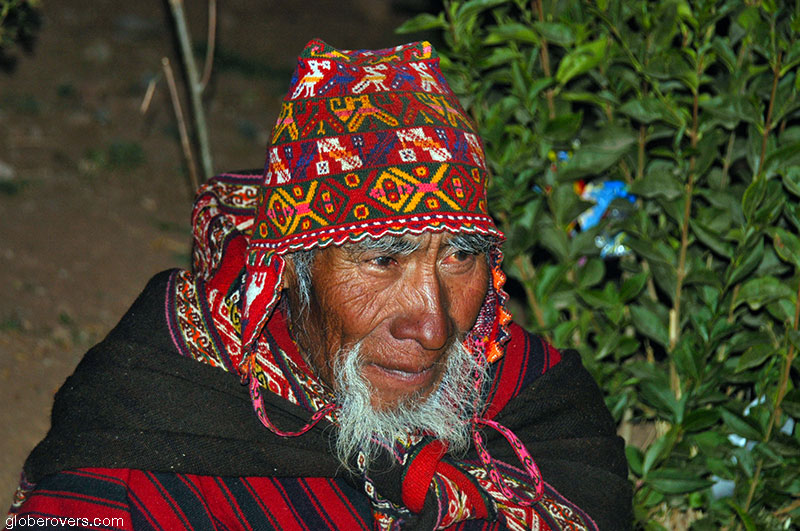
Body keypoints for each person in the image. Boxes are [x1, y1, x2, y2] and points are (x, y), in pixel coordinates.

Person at [7, 40, 631, 530]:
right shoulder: (157, 411)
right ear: (291, 269)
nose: (434, 325)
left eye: (458, 258)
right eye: (384, 260)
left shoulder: (534, 406)